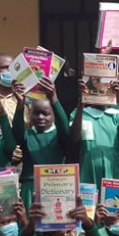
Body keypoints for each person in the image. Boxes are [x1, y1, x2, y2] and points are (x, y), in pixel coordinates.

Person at [11, 77, 70, 208]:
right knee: (29, 227)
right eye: (36, 114)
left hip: (55, 187)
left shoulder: (59, 136)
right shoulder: (27, 135)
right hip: (30, 188)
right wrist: (20, 104)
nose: (40, 117)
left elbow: (65, 129)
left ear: (54, 115)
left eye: (46, 114)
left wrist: (54, 98)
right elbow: (17, 132)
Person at [70, 78, 119, 190]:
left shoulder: (116, 114)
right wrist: (81, 102)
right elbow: (74, 137)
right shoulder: (81, 113)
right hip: (88, 167)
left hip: (113, 168)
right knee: (89, 205)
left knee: (114, 203)